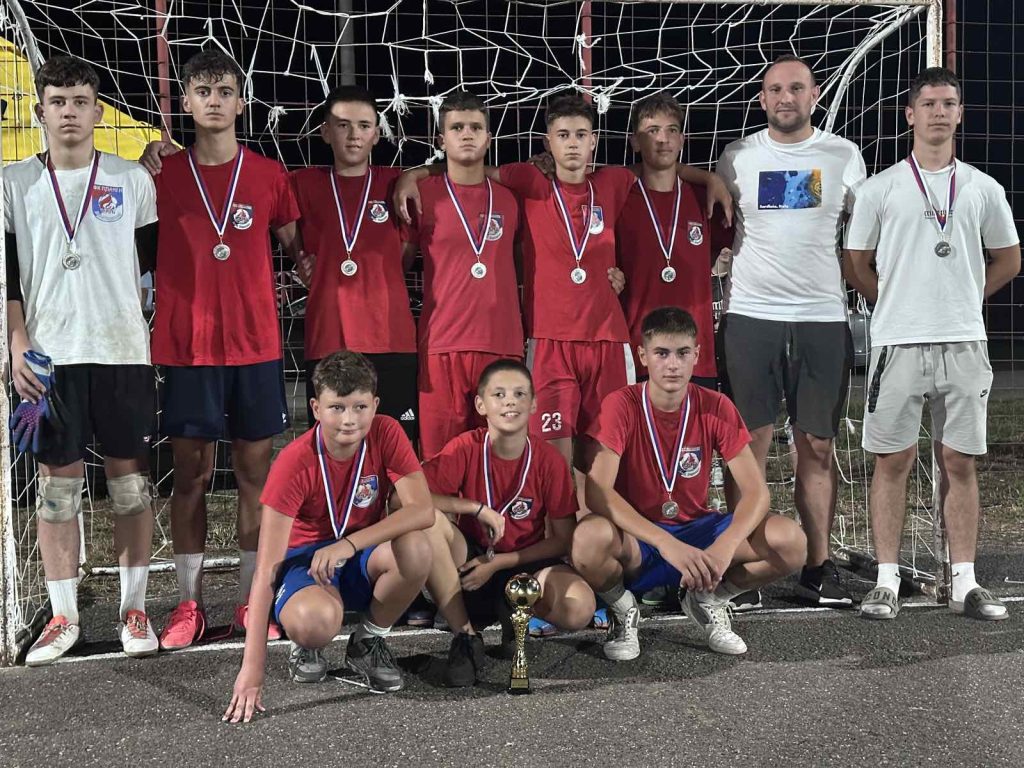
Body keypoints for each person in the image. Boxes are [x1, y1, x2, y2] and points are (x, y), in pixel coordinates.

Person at [395, 94, 732, 500]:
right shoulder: (527, 181)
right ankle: (557, 535)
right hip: (549, 342)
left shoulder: (614, 182)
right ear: (547, 142)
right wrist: (414, 174)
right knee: (553, 462)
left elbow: (661, 164)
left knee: (603, 459)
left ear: (594, 141)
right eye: (563, 135)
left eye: (581, 135)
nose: (573, 143)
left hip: (608, 341)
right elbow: (468, 167)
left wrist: (710, 179)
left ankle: (603, 535)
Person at [844, 67, 1020, 621]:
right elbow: (855, 262)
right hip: (897, 343)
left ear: (960, 114)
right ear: (910, 115)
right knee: (893, 460)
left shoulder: (983, 188)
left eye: (948, 103)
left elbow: (1009, 259)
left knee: (959, 461)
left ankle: (965, 581)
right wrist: (893, 302)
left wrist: (965, 296)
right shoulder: (880, 188)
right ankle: (886, 580)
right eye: (928, 104)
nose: (939, 112)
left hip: (964, 342)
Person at [144, 49, 302, 650]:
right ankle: (188, 603)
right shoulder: (159, 174)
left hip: (255, 347)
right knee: (191, 476)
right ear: (185, 102)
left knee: (256, 478)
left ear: (242, 101)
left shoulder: (268, 174)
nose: (214, 100)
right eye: (203, 91)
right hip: (188, 349)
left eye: (225, 91)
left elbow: (295, 249)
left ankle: (250, 600)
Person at [5, 56, 159, 664]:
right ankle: (63, 617)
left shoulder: (131, 179)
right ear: (39, 111)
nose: (69, 112)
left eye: (79, 102)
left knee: (130, 487)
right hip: (48, 357)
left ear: (98, 111)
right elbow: (7, 280)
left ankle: (134, 611)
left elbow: (150, 271)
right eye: (58, 102)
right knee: (57, 493)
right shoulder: (13, 184)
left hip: (121, 352)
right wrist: (16, 342)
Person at [716, 54, 866, 607]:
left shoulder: (844, 155)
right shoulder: (737, 156)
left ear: (814, 95)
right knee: (747, 445)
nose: (786, 97)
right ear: (762, 99)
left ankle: (818, 568)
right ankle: (747, 562)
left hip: (821, 317)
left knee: (817, 446)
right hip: (750, 316)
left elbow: (865, 235)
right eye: (776, 89)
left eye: (797, 88)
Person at [572, 307, 806, 660]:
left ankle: (708, 598)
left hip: (697, 531)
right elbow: (597, 490)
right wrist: (665, 542)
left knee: (791, 542)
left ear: (697, 355)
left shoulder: (716, 405)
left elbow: (757, 492)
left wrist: (726, 545)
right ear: (642, 356)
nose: (672, 365)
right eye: (661, 353)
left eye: (682, 353)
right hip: (640, 538)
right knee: (588, 538)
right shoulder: (621, 404)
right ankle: (623, 609)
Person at [222, 351, 434, 723]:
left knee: (417, 547)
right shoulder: (292, 462)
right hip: (306, 563)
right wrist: (251, 671)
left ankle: (368, 640)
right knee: (316, 622)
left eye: (360, 407)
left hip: (359, 552)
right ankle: (305, 644)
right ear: (316, 409)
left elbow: (423, 511)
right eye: (337, 407)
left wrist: (348, 544)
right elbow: (266, 570)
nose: (349, 419)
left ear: (375, 405)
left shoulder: (386, 431)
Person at [420, 359, 595, 686]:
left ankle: (514, 620)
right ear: (481, 405)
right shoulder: (465, 448)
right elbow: (404, 498)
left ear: (534, 404)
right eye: (499, 394)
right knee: (427, 523)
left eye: (519, 394)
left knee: (579, 607)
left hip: (524, 563)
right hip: (471, 561)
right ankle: (465, 636)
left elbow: (563, 539)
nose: (510, 402)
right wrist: (474, 508)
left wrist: (501, 562)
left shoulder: (549, 460)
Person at [290, 85, 419, 439]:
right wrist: (298, 259)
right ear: (325, 132)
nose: (354, 135)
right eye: (343, 125)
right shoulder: (302, 183)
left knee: (395, 448)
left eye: (364, 126)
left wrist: (417, 173)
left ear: (376, 134)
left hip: (391, 339)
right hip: (328, 339)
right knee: (334, 450)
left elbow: (406, 255)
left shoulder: (397, 183)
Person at [401, 91, 524, 459]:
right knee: (441, 461)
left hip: (501, 345)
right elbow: (398, 267)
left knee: (500, 460)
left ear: (489, 138)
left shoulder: (510, 198)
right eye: (457, 128)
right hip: (441, 346)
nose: (467, 134)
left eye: (475, 127)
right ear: (441, 140)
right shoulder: (422, 194)